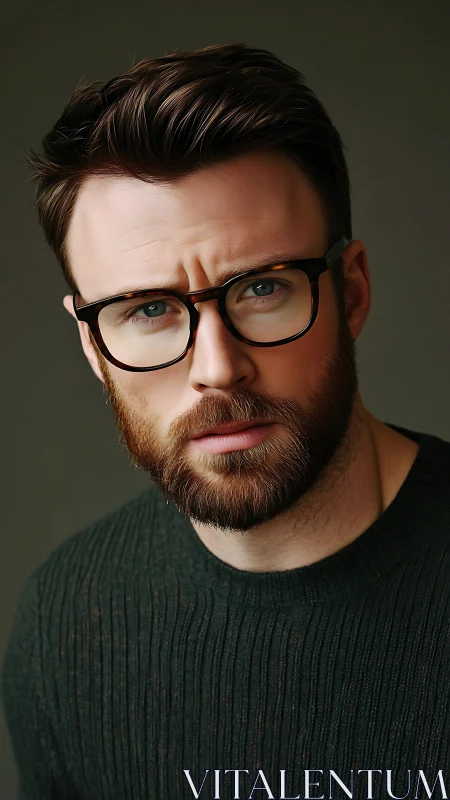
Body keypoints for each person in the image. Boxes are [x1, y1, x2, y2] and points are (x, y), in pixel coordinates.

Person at [2, 42, 449, 800]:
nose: (217, 366)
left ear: (351, 292)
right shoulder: (66, 623)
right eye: (147, 309)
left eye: (262, 290)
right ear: (93, 345)